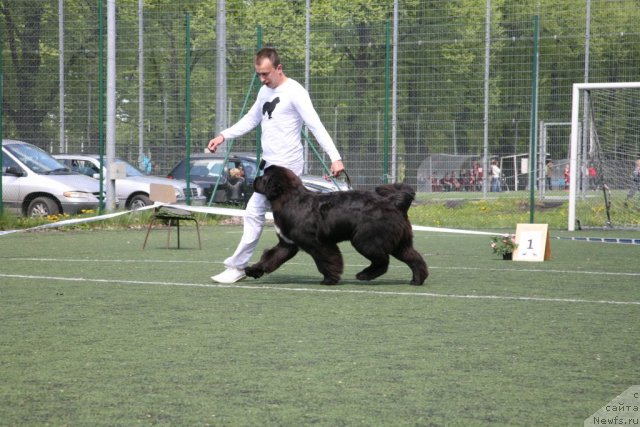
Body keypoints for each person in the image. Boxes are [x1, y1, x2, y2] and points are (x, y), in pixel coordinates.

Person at [207, 47, 345, 283]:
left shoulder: (295, 92)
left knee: (259, 213)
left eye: (266, 74)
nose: (262, 79)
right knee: (266, 217)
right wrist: (223, 135)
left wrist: (335, 157)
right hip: (268, 167)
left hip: (287, 171)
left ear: (279, 68)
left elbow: (315, 125)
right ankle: (257, 259)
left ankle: (240, 265)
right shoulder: (264, 92)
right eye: (259, 74)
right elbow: (251, 119)